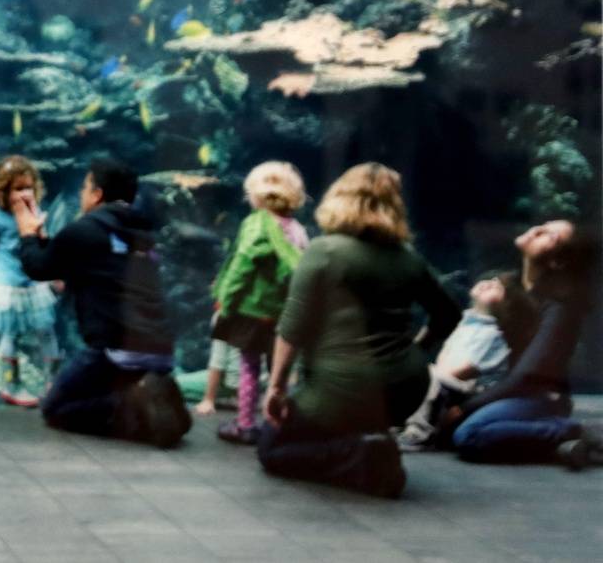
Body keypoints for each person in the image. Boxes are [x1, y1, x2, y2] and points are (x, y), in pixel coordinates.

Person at [257, 163, 460, 498]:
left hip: (340, 390)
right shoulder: (408, 258)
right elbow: (448, 314)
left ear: (339, 197)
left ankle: (359, 455)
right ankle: (367, 441)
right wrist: (418, 349)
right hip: (404, 389)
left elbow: (292, 327)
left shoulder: (325, 251)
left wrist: (276, 388)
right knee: (334, 421)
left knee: (270, 448)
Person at [14, 156, 191, 447]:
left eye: (85, 188)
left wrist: (26, 233)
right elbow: (68, 262)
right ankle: (155, 395)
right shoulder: (142, 230)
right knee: (83, 391)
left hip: (113, 350)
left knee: (56, 409)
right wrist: (43, 240)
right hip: (160, 350)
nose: (82, 195)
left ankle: (136, 405)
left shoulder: (86, 229)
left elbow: (38, 267)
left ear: (97, 195)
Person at [449, 219, 602, 468]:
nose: (538, 230)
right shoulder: (512, 288)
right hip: (505, 389)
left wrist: (465, 408)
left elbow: (525, 377)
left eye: (551, 237)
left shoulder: (560, 307)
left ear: (557, 261)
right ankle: (552, 444)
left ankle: (568, 432)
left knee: (468, 435)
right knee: (446, 428)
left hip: (539, 398)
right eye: (544, 226)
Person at [207, 161, 309, 444]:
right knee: (280, 371)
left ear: (254, 194)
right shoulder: (297, 229)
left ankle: (245, 424)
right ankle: (275, 423)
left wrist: (226, 300)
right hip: (283, 314)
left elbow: (242, 264)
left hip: (253, 312)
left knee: (249, 367)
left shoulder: (256, 224)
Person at [395, 270, 532, 452]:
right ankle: (402, 423)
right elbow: (445, 355)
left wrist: (430, 376)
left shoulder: (493, 336)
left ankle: (420, 435)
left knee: (429, 377)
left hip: (471, 391)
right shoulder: (465, 324)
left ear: (507, 305)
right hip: (448, 383)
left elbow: (468, 369)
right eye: (488, 280)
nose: (489, 283)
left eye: (497, 287)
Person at [0, 155, 61, 407]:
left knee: (47, 331)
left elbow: (45, 245)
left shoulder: (37, 211)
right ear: (2, 190)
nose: (25, 194)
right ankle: (11, 385)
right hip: (7, 284)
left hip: (34, 283)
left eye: (29, 187)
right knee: (10, 335)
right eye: (18, 188)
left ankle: (52, 384)